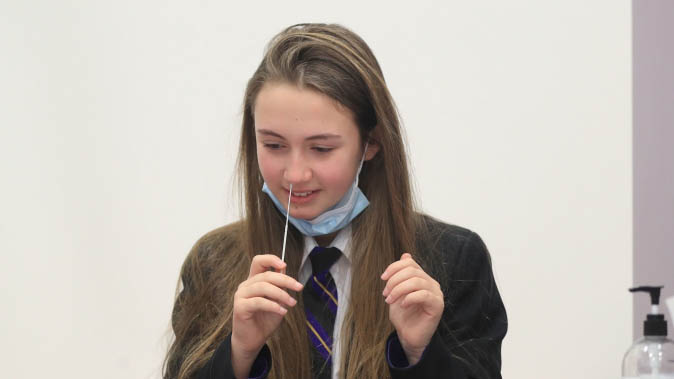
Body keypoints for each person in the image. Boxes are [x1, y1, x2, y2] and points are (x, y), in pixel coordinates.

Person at [163, 23, 507, 379]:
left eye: (321, 148)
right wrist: (239, 354)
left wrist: (419, 353)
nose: (294, 175)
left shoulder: (454, 260)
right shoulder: (212, 262)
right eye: (274, 145)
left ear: (371, 143)